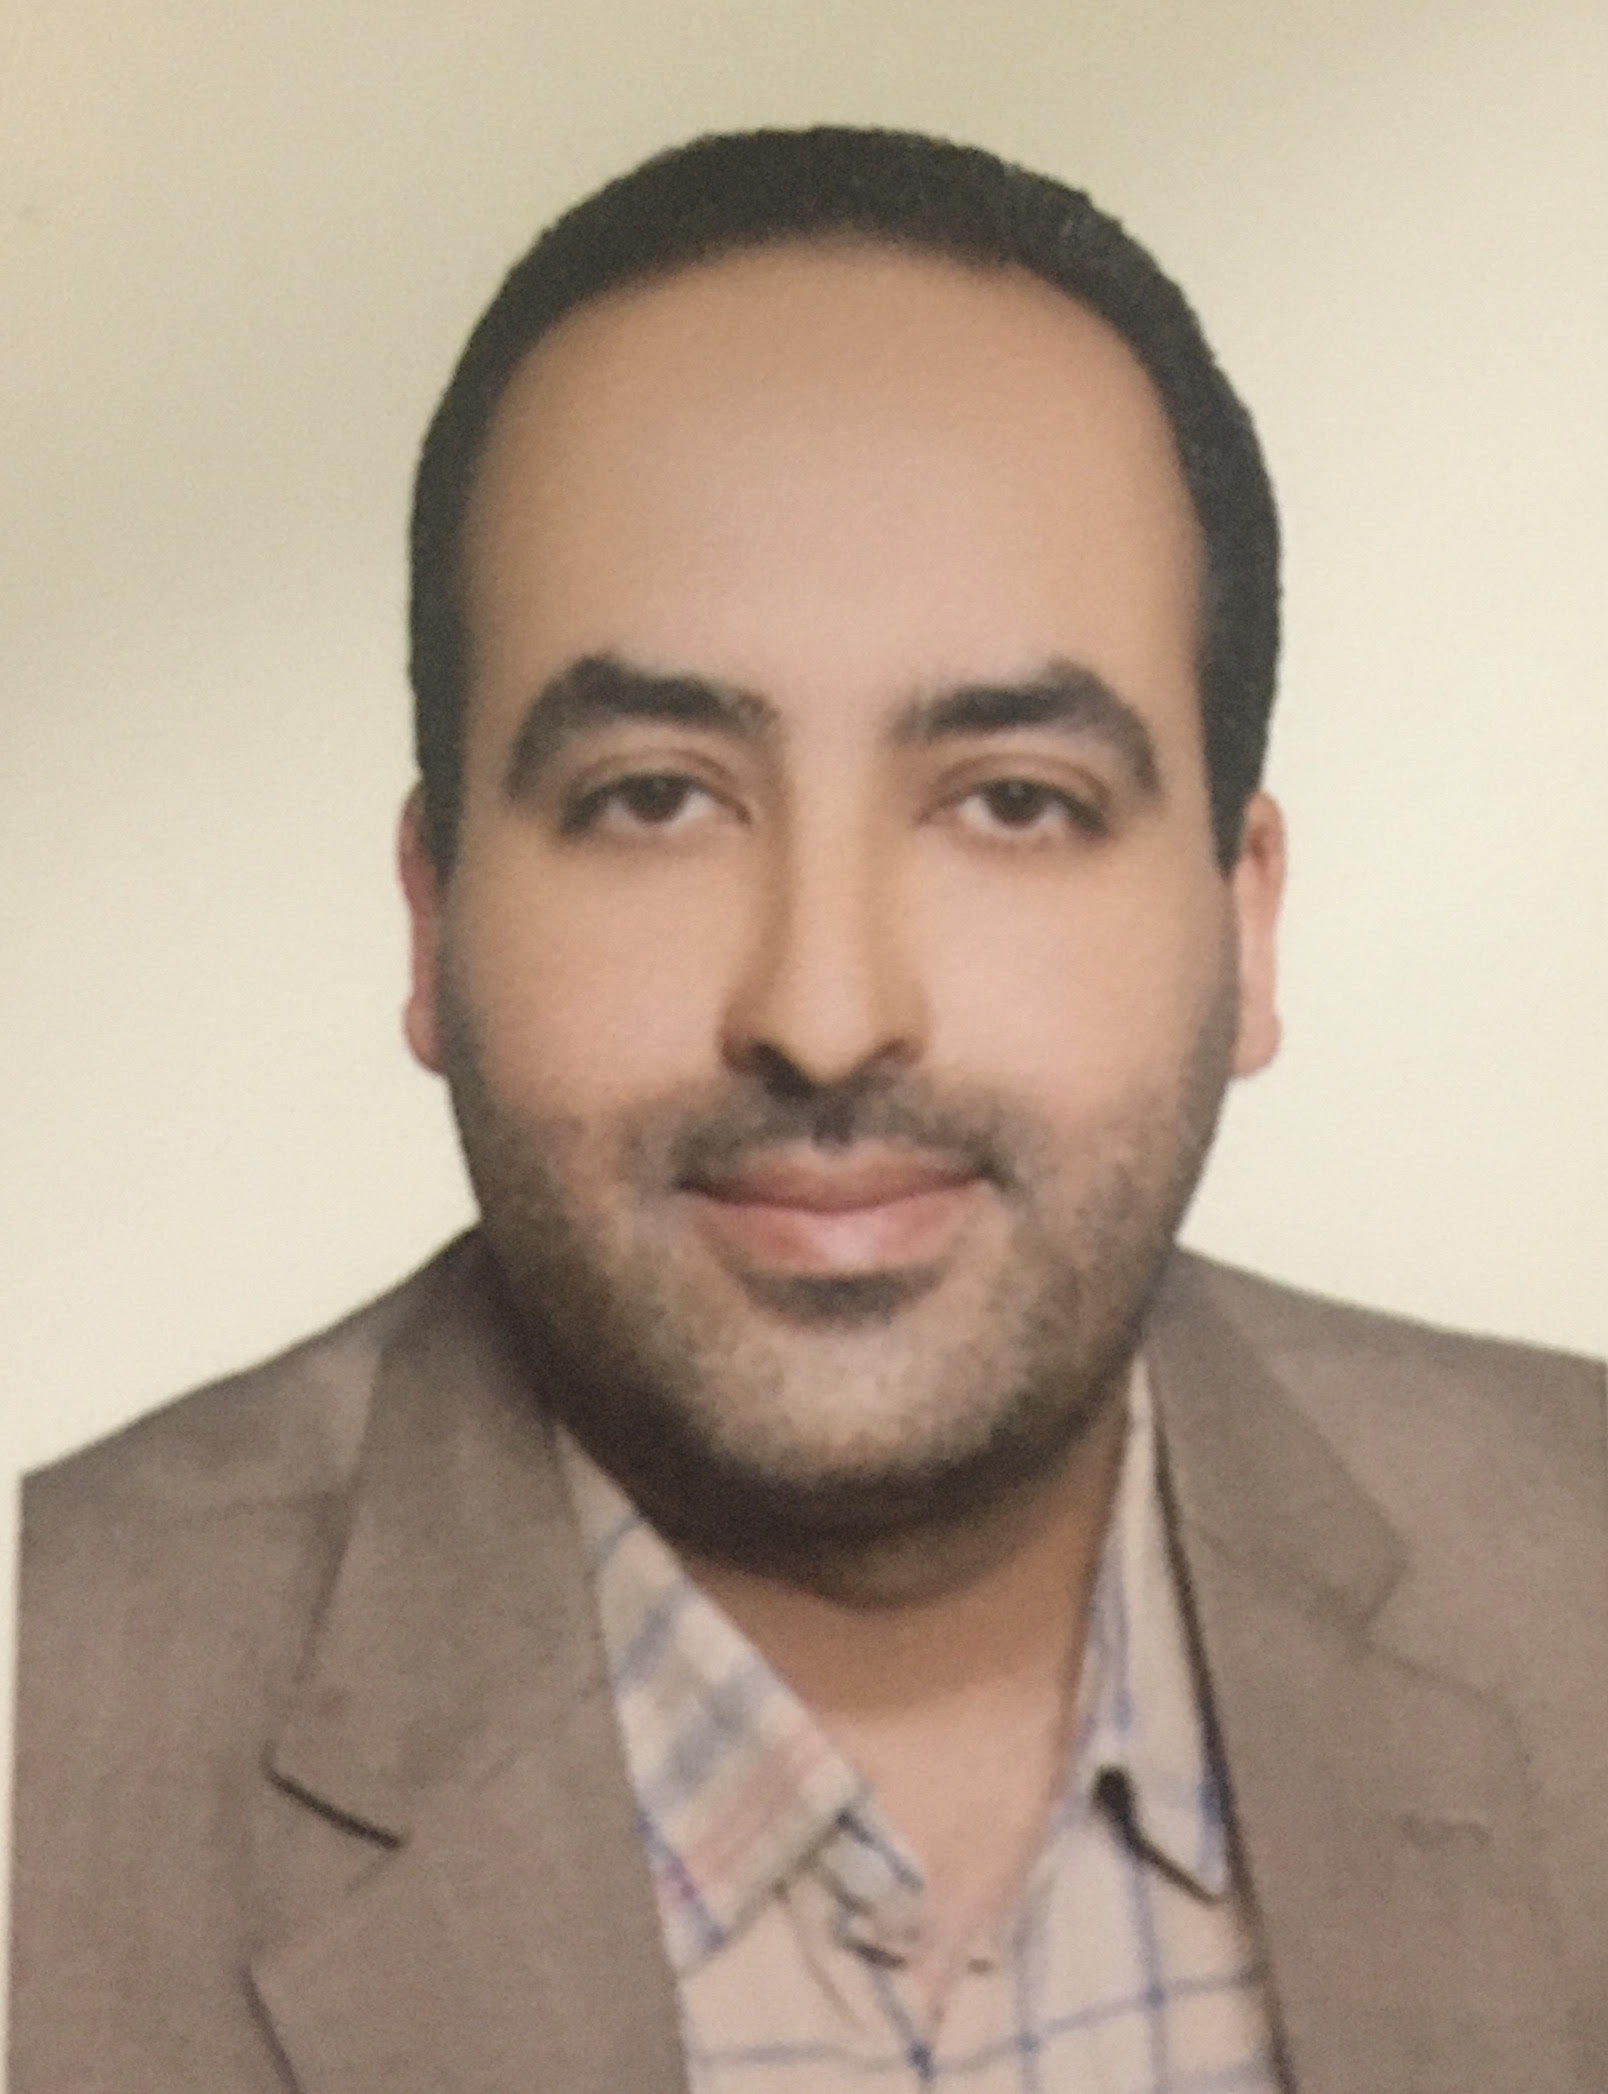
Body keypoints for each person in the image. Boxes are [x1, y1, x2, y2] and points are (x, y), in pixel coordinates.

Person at [11, 126, 1605, 2094]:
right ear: (432, 918)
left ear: (1245, 921)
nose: (828, 1017)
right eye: (653, 798)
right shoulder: (47, 1732)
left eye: (1014, 801)